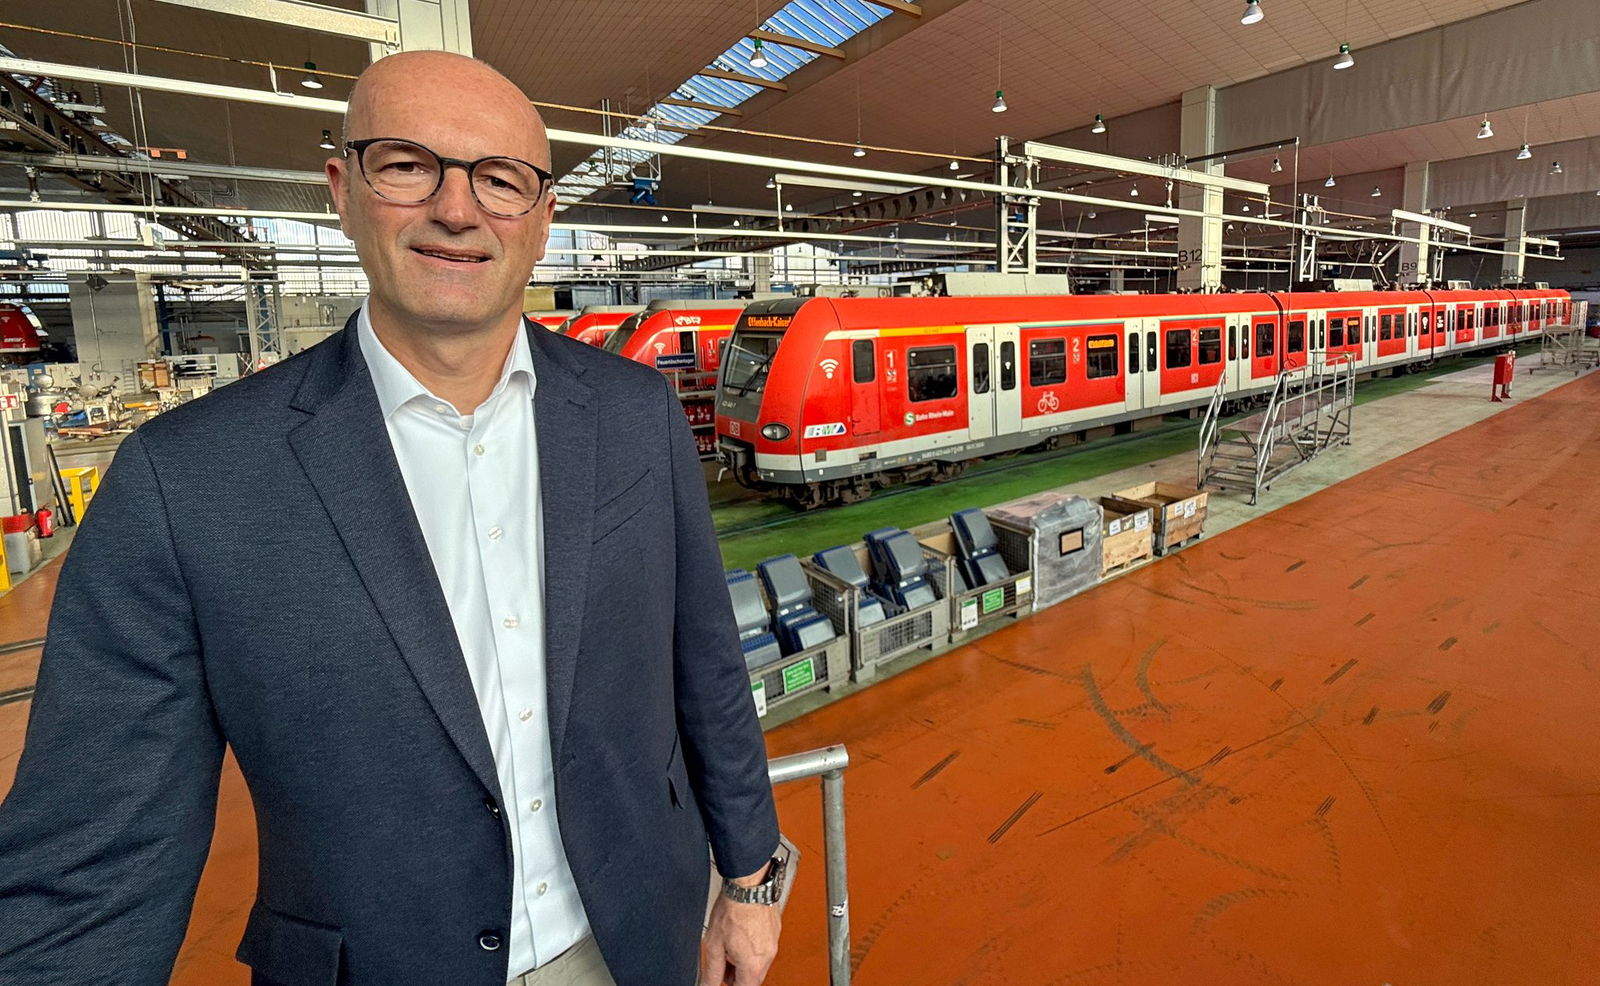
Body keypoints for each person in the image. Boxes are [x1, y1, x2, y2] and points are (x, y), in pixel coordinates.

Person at [0, 51, 784, 986]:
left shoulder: (635, 414)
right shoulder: (187, 480)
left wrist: (752, 877)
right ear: (343, 188)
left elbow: (707, 667)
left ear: (541, 219)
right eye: (409, 165)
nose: (458, 209)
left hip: (635, 940)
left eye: (501, 179)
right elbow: (92, 863)